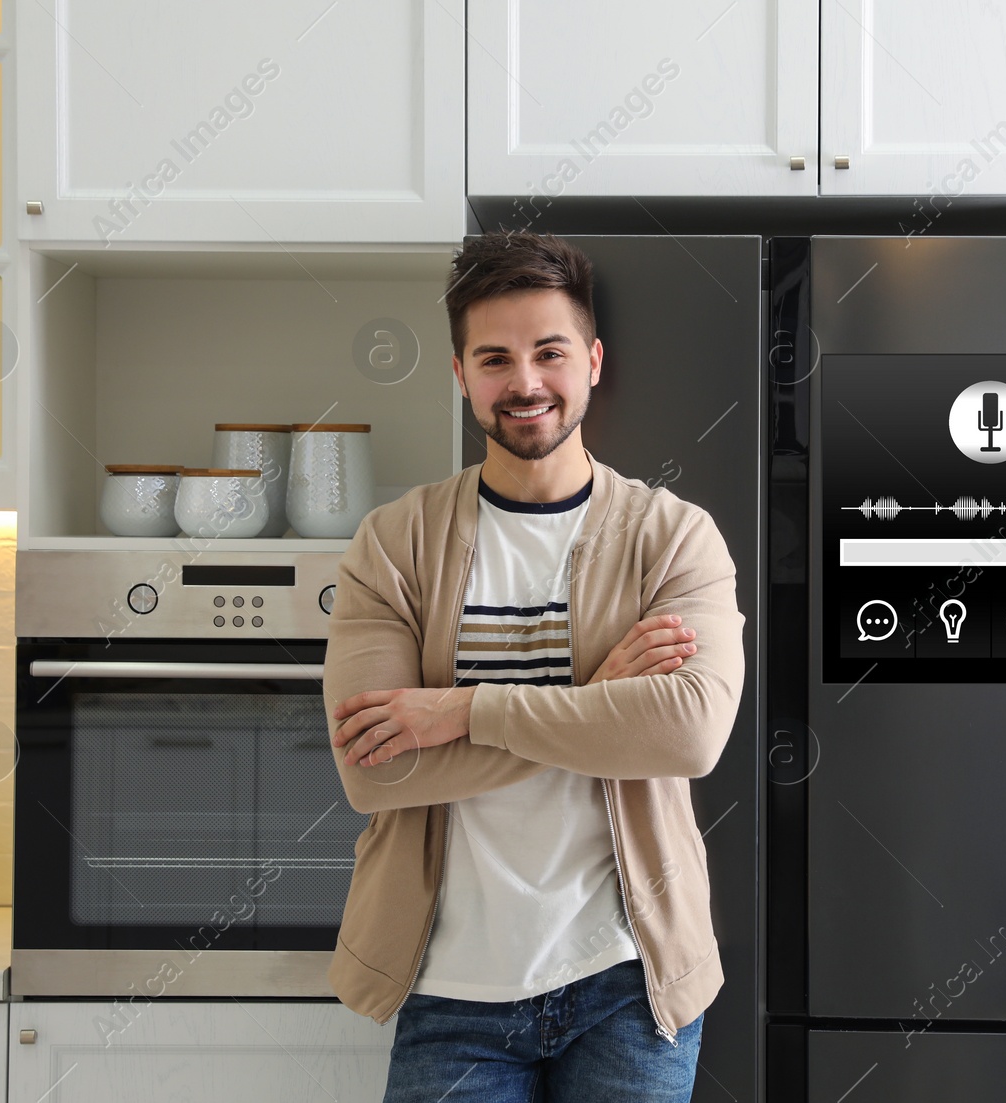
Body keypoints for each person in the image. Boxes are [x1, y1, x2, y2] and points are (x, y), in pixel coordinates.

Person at [324, 230, 746, 1102]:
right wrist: (596, 700)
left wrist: (463, 710)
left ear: (591, 361)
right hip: (450, 987)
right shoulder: (395, 543)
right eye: (494, 358)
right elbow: (376, 770)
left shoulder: (672, 536)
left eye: (549, 352)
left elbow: (689, 732)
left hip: (629, 980)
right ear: (461, 374)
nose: (524, 382)